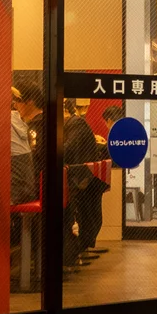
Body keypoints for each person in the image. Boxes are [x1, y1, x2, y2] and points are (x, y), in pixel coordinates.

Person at [62, 97, 108, 266]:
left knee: (75, 213)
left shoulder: (76, 124)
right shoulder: (76, 124)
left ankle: (73, 251)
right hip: (84, 178)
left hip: (82, 180)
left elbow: (67, 149)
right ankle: (74, 250)